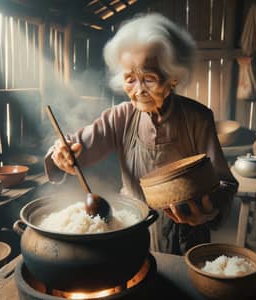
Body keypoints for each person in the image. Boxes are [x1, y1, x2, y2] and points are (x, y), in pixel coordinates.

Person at [45, 13, 238, 255]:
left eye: (149, 78)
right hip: (132, 231)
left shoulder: (197, 118)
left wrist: (209, 211)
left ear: (173, 77)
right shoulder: (120, 117)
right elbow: (76, 146)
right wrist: (61, 152)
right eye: (130, 79)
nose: (138, 91)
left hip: (187, 234)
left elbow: (225, 183)